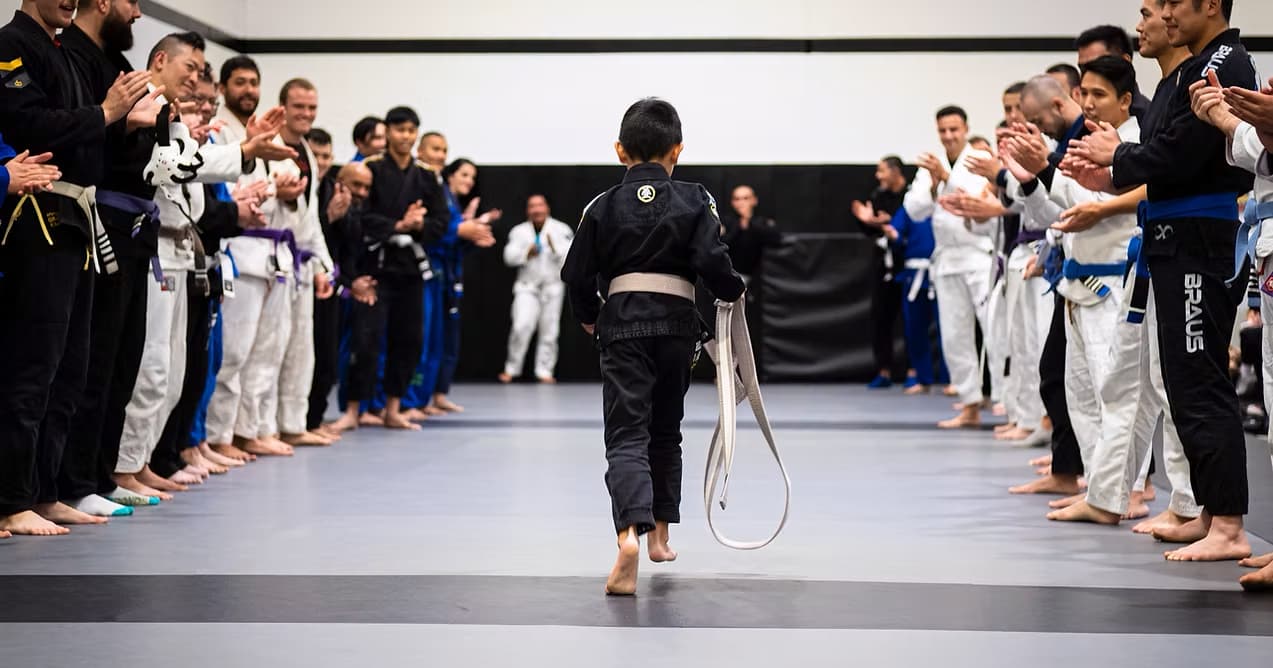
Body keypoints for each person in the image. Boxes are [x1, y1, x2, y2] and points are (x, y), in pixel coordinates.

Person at [1065, 0, 1256, 563]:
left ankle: (1229, 525)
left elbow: (1180, 152)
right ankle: (1205, 512)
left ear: (1211, 6)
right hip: (1176, 236)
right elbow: (1166, 154)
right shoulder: (1194, 68)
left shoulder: (1226, 62)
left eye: (1173, 4)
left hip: (1201, 238)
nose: (1164, 15)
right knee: (1181, 381)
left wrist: (1119, 153)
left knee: (1199, 382)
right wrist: (1117, 161)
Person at [562, 97, 745, 595]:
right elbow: (713, 259)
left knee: (626, 435)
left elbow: (576, 273)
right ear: (678, 151)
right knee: (666, 430)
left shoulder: (600, 206)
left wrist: (587, 316)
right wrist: (733, 292)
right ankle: (661, 535)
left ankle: (628, 538)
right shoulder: (696, 198)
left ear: (620, 151)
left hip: (621, 326)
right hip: (678, 326)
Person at [1045, 0, 1200, 533]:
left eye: (1154, 12)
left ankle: (1190, 503)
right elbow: (1069, 207)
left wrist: (1106, 197)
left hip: (1169, 255)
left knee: (1173, 384)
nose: (1144, 22)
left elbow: (1172, 177)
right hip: (1137, 265)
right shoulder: (1163, 101)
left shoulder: (1190, 89)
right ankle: (1109, 492)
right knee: (1117, 388)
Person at [0, 0, 151, 536]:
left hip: (76, 217)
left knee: (71, 367)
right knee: (33, 364)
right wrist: (106, 113)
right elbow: (30, 123)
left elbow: (85, 133)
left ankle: (48, 491)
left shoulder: (62, 52)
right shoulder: (11, 46)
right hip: (36, 217)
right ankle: (13, 496)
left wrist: (126, 123)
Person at [56, 0, 166, 515]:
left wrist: (138, 125)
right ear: (104, 2)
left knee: (124, 360)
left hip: (135, 226)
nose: (139, 13)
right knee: (92, 361)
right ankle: (75, 480)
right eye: (131, 2)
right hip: (94, 218)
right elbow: (72, 140)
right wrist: (120, 123)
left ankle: (99, 472)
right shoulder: (73, 56)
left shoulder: (117, 66)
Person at [330, 106, 449, 431]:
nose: (405, 136)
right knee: (365, 340)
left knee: (409, 340)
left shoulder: (426, 175)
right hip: (375, 266)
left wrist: (421, 224)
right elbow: (358, 213)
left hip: (410, 267)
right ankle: (353, 409)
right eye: (399, 130)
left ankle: (393, 408)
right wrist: (397, 224)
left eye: (411, 130)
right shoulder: (371, 168)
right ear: (389, 132)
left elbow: (442, 221)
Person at [903, 106, 998, 429]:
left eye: (954, 130)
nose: (948, 136)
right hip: (946, 259)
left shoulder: (980, 159)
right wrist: (932, 185)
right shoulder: (932, 166)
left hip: (978, 255)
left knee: (994, 331)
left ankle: (1010, 405)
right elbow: (914, 211)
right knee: (955, 336)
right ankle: (970, 404)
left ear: (966, 128)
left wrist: (947, 179)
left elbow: (980, 201)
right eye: (943, 130)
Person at [500, 194, 573, 383]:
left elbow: (572, 259)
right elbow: (508, 257)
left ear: (547, 208)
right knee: (521, 326)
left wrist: (554, 247)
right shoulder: (519, 231)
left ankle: (544, 371)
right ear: (527, 210)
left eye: (540, 205)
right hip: (527, 287)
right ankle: (512, 368)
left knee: (550, 331)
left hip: (552, 287)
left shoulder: (561, 229)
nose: (536, 210)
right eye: (532, 206)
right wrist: (526, 253)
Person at [852, 160, 908, 389]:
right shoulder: (878, 195)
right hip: (883, 265)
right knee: (880, 318)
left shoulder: (912, 195)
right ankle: (883, 370)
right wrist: (869, 221)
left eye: (882, 171)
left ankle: (914, 370)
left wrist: (886, 222)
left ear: (895, 172)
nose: (878, 176)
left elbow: (907, 223)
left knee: (909, 319)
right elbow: (870, 227)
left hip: (906, 261)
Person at [1074, 24, 1152, 119]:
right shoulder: (1085, 116)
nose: (1087, 74)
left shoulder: (1147, 119)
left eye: (1097, 65)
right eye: (1082, 69)